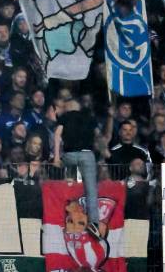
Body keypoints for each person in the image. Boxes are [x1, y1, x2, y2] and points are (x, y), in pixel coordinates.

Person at [53, 97, 102, 237]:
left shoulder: (64, 117)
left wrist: (57, 158)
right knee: (91, 190)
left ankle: (61, 216)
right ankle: (94, 223)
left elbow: (57, 135)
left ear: (68, 106)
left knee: (62, 175)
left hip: (69, 155)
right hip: (87, 155)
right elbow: (99, 137)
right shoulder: (90, 118)